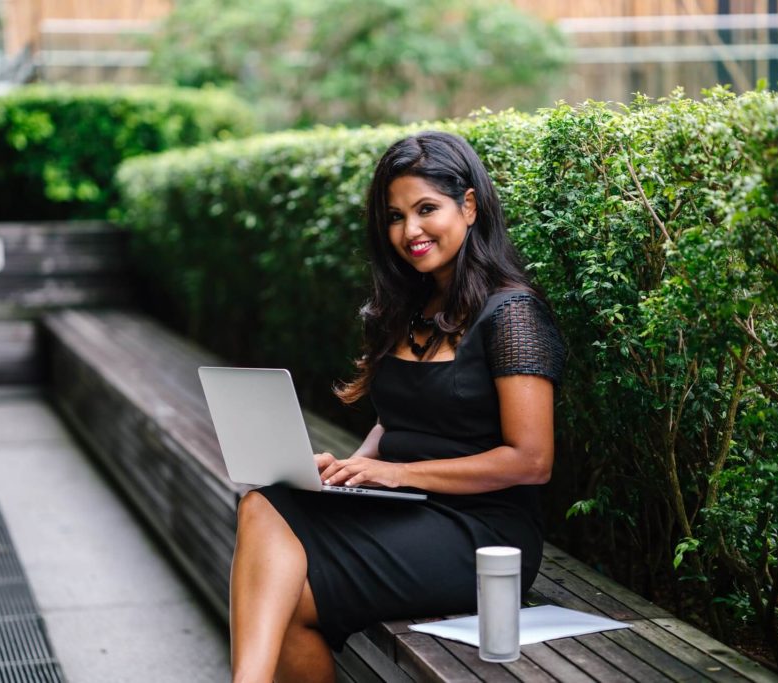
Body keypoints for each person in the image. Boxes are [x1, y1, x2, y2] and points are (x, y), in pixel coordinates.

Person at [229, 131, 565, 682]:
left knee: (283, 590)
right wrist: (350, 472)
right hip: (403, 509)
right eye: (394, 216)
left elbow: (531, 461)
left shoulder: (513, 315)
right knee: (263, 504)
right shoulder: (410, 307)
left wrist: (394, 472)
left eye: (426, 209)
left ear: (470, 205)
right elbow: (397, 419)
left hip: (482, 536)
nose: (410, 231)